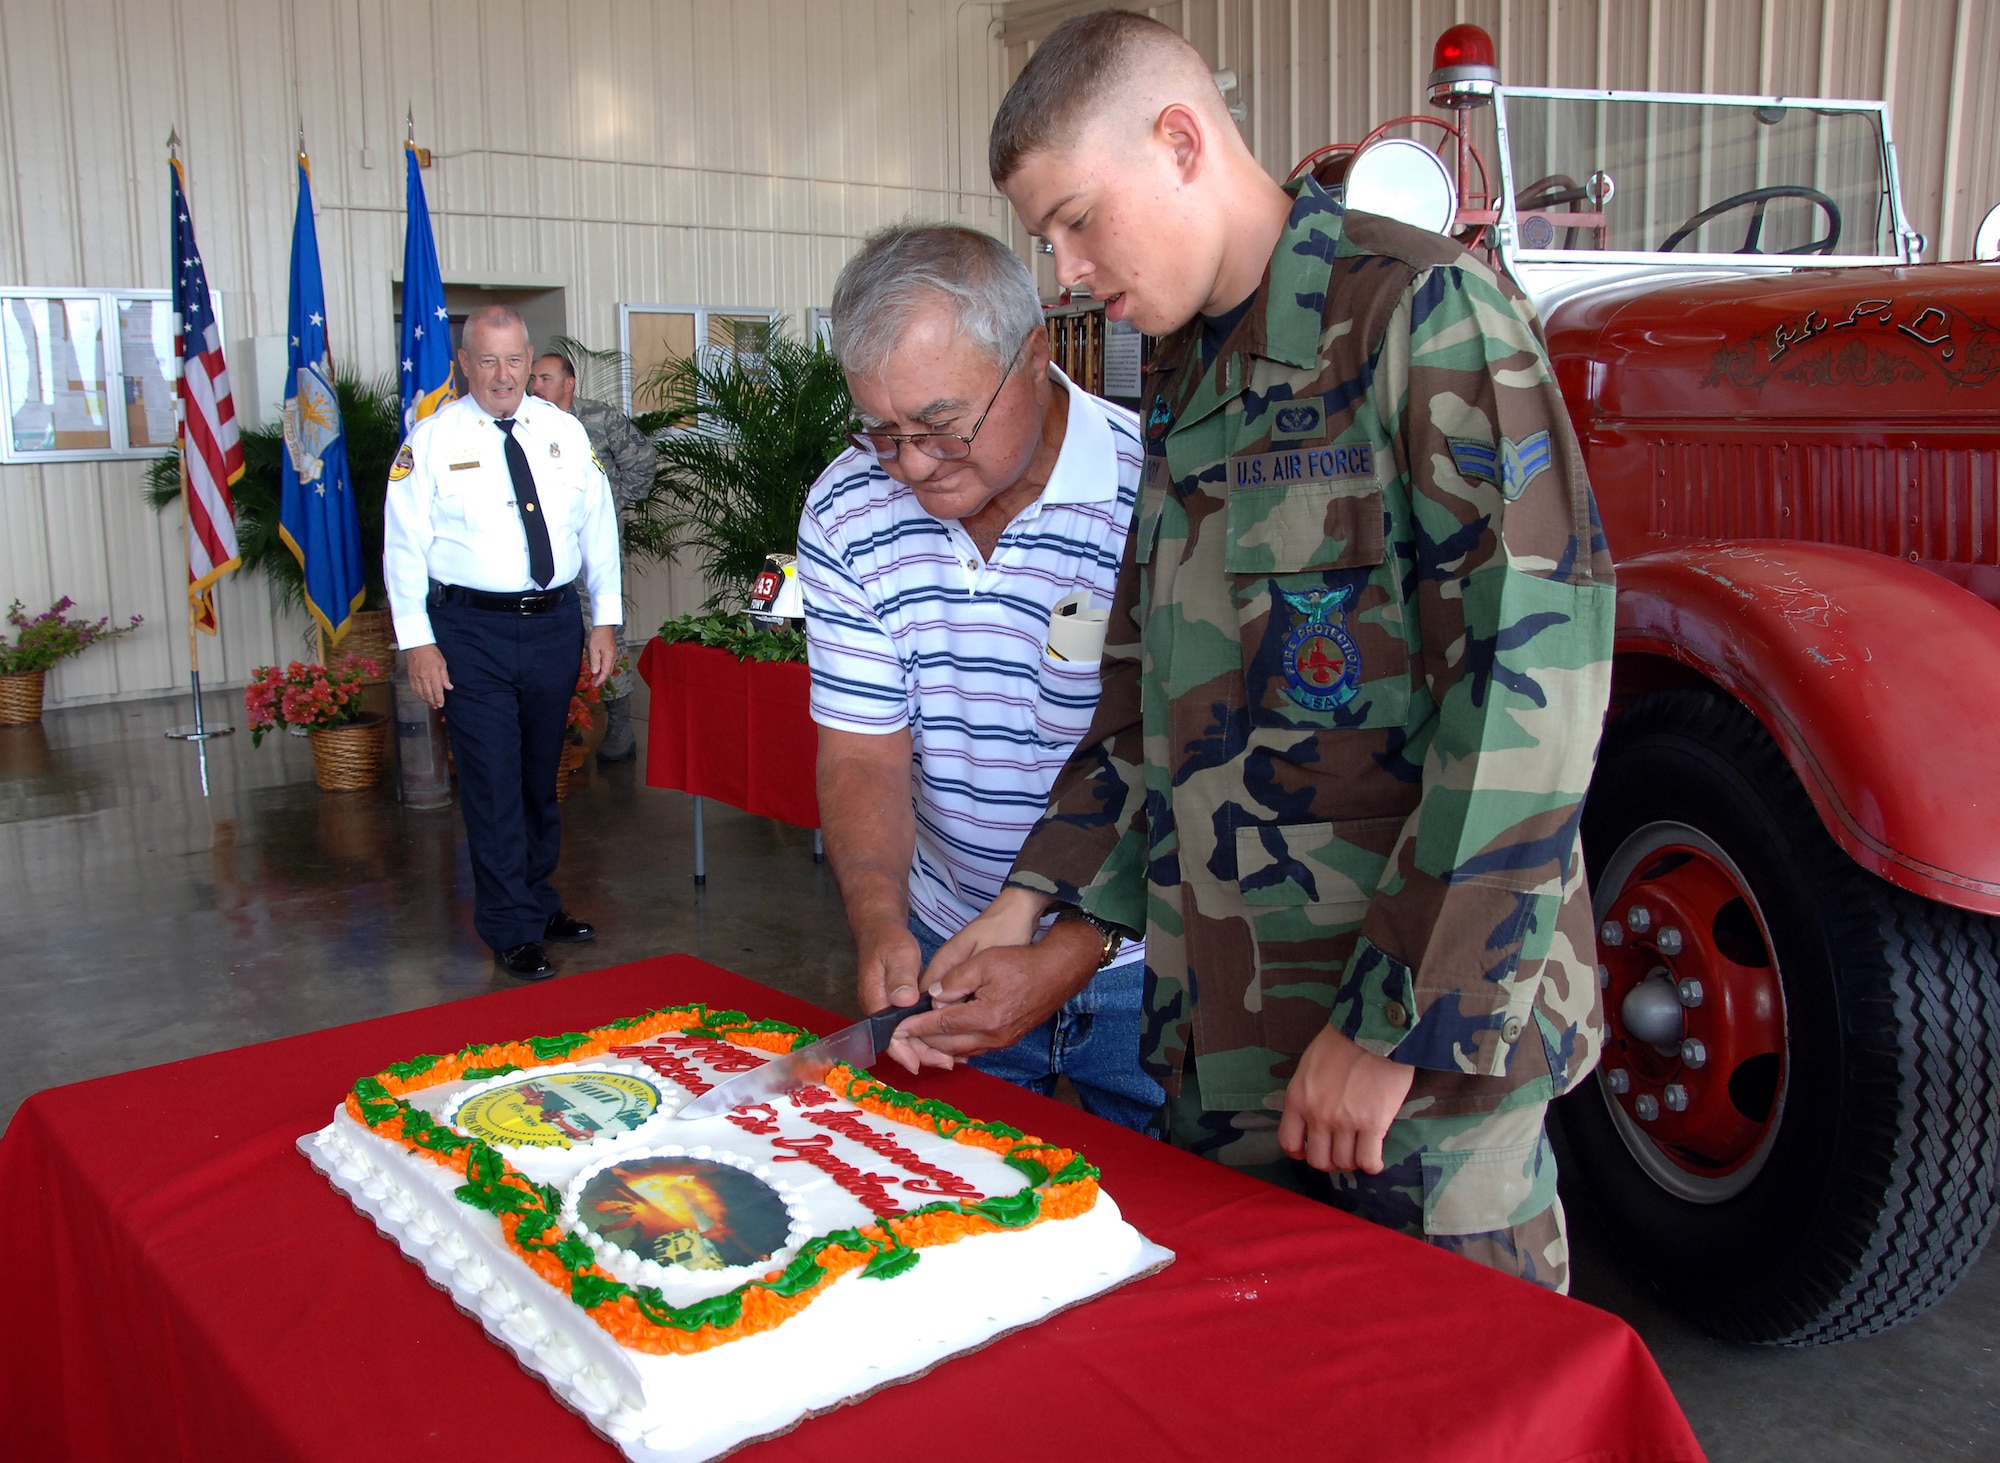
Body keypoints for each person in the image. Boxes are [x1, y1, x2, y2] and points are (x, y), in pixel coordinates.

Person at [894, 11, 1616, 1291]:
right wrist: (1025, 904)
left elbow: (1529, 692)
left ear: (1180, 141)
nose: (1060, 271)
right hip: (1219, 1036)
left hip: (1418, 1071)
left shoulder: (1424, 316)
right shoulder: (1180, 374)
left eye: (1072, 220)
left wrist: (1393, 1026)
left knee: (1462, 1397)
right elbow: (1148, 703)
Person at [797, 223, 1164, 1133]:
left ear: (1034, 353)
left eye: (941, 426)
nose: (913, 465)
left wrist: (1073, 947)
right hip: (948, 941)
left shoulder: (1157, 491)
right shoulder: (848, 508)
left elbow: (1186, 757)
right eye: (883, 432)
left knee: (1178, 1229)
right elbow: (863, 758)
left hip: (1150, 957)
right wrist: (882, 921)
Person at [385, 305, 623, 980]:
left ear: (529, 358)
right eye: (486, 360)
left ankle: (537, 901)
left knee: (538, 775)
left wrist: (603, 619)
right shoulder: (429, 442)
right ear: (464, 363)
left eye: (514, 359)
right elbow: (403, 546)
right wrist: (418, 643)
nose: (502, 374)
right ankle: (509, 926)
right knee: (491, 780)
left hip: (552, 624)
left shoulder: (564, 433)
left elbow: (596, 528)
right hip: (469, 631)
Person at [528, 351, 656, 763]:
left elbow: (643, 461)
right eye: (533, 379)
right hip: (547, 552)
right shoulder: (525, 423)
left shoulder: (599, 419)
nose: (535, 387)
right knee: (557, 637)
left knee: (605, 631)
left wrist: (613, 507)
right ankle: (569, 722)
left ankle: (619, 725)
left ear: (570, 383)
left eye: (545, 378)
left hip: (593, 549)